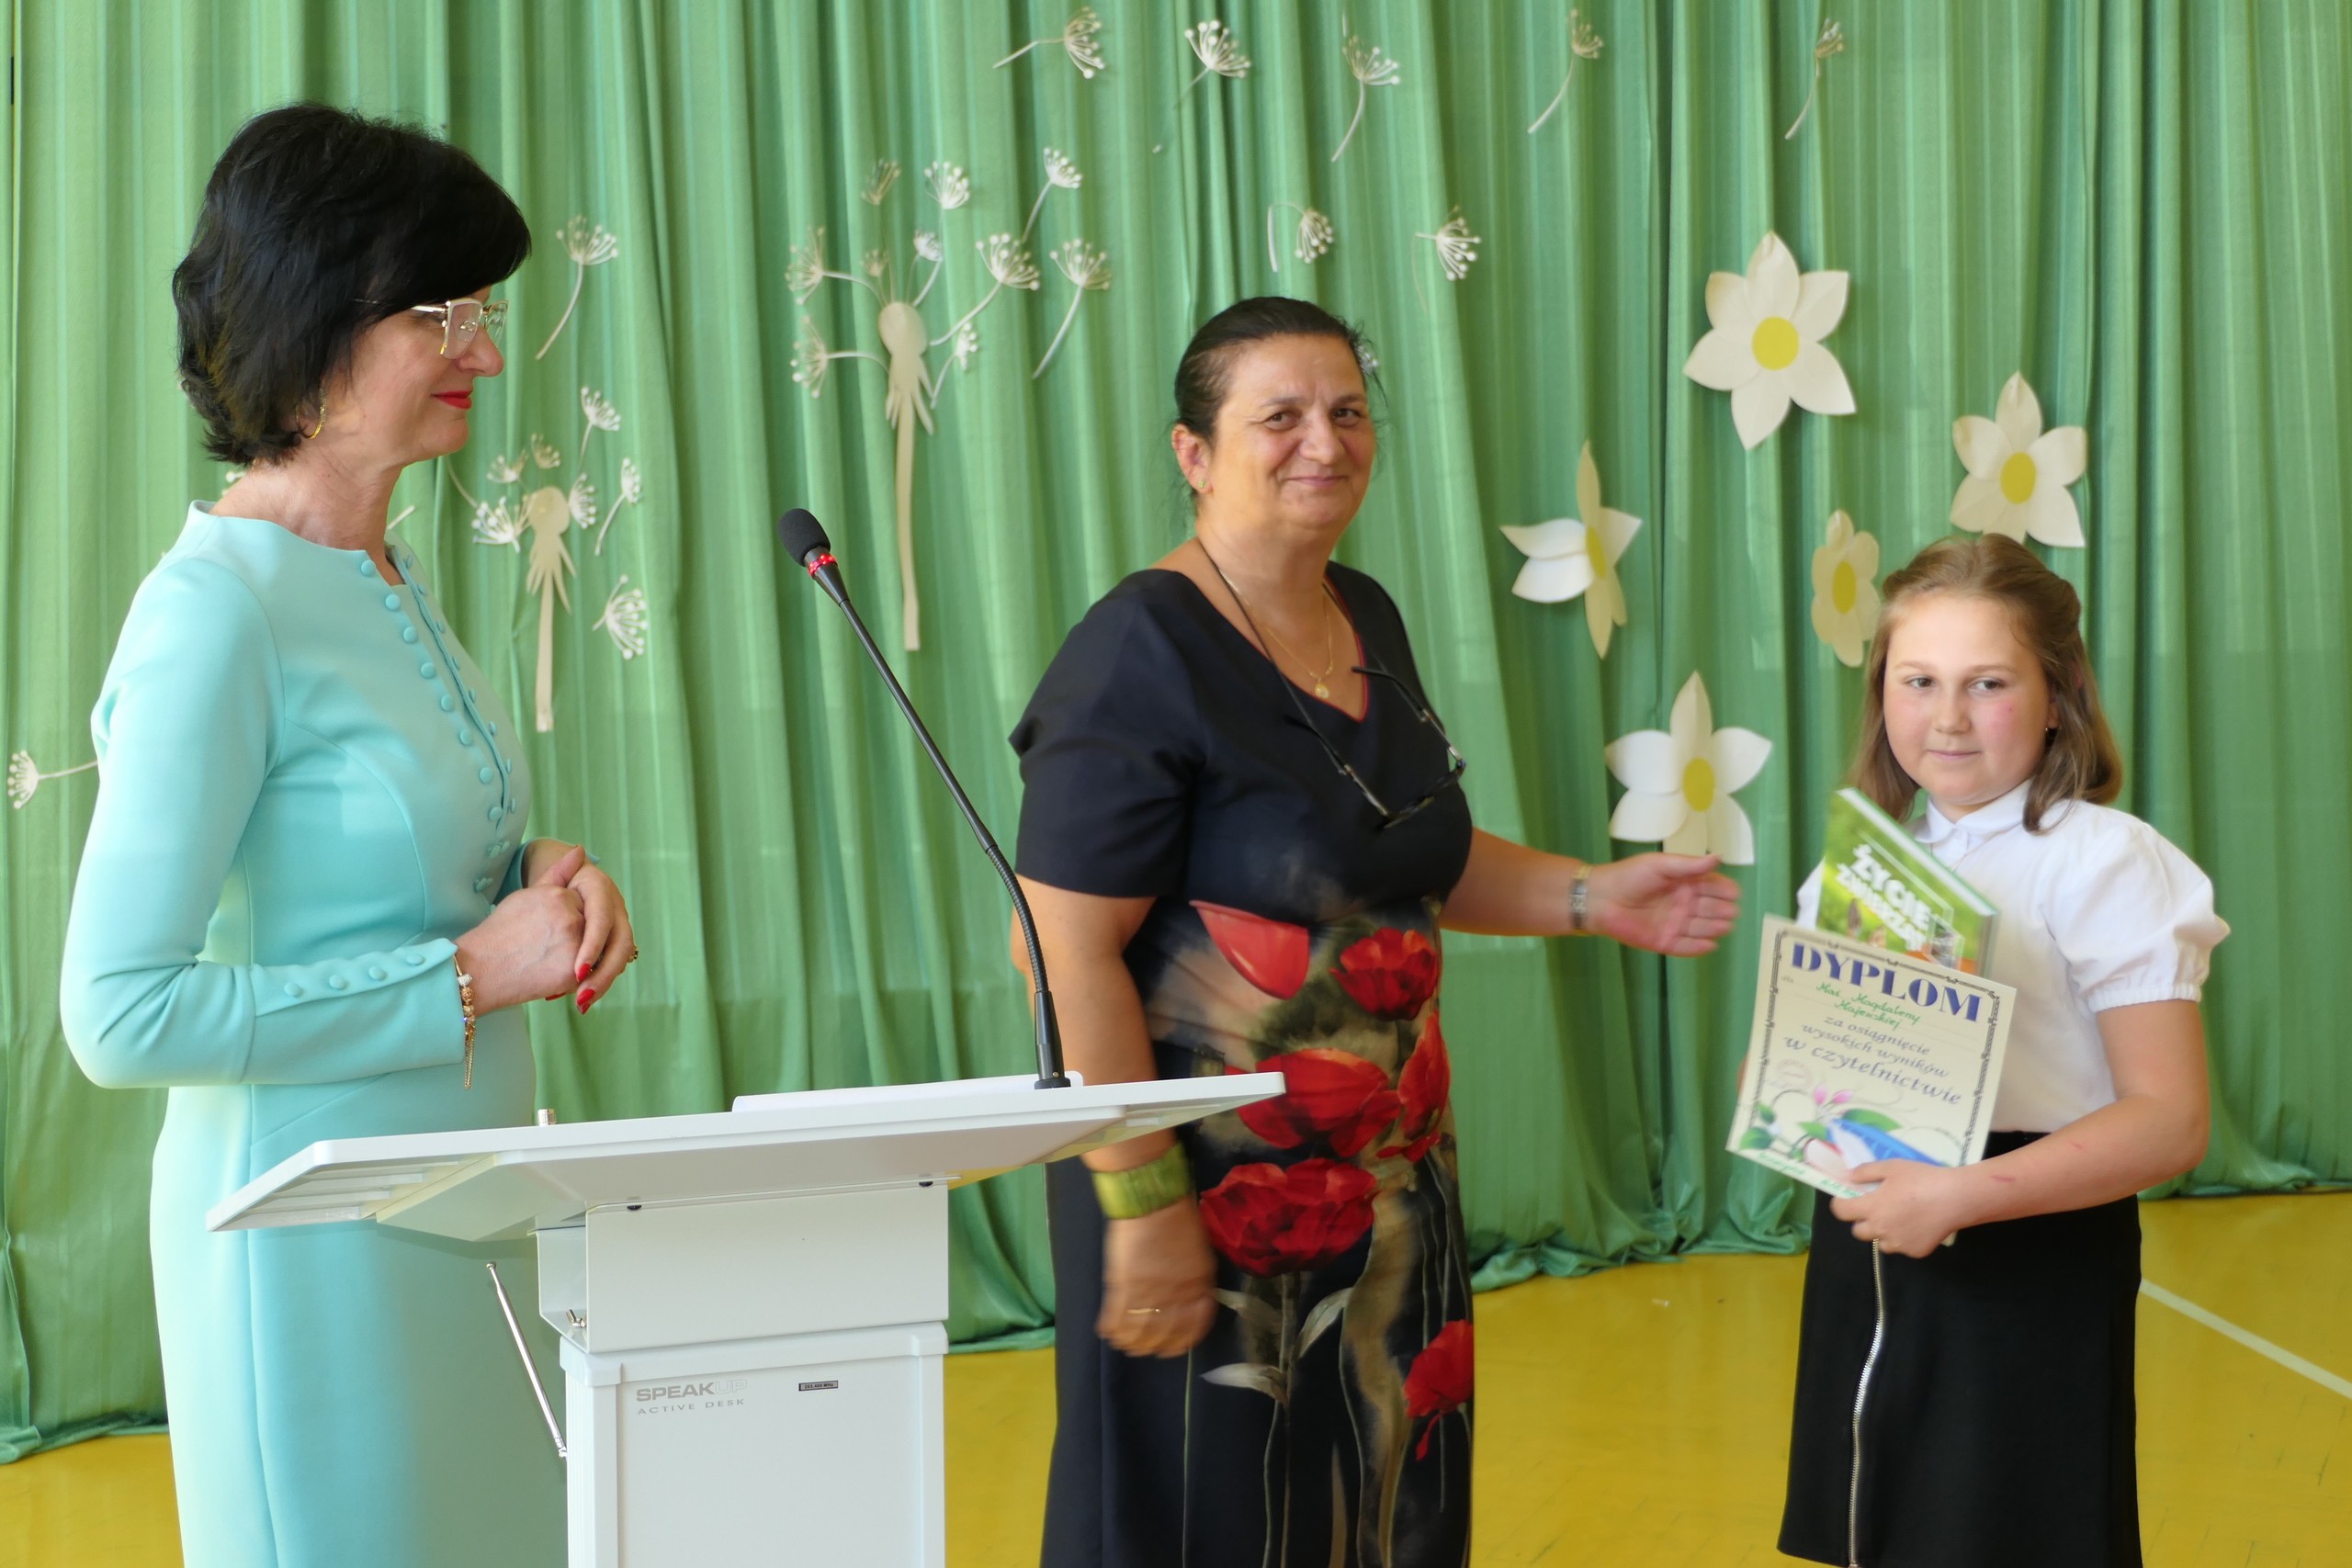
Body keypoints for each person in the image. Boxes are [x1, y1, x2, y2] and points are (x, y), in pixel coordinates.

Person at [1009, 296, 1742, 1567]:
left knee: (1386, 1505)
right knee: (1209, 1521)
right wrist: (1143, 1202)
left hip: (1394, 1192)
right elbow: (1057, 947)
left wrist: (1590, 893)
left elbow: (1392, 854)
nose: (1325, 442)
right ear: (1194, 453)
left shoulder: (1362, 612)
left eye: (1347, 411)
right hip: (1209, 1198)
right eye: (1280, 416)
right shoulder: (1137, 649)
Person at [59, 105, 638, 1568]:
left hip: (460, 1220)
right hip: (308, 1253)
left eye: (481, 312)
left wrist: (539, 882)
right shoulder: (215, 611)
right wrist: (469, 973)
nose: (483, 353)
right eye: (441, 316)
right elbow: (118, 1012)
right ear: (312, 323)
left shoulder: (386, 569)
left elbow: (390, 874)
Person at [1780, 535, 2225, 1567]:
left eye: (1987, 683)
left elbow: (2170, 1121)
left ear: (2058, 695)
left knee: (2010, 1532)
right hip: (1871, 1235)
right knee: (1875, 1527)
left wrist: (1959, 1196)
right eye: (1917, 681)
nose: (1946, 717)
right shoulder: (1865, 862)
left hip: (2029, 1247)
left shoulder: (2105, 861)